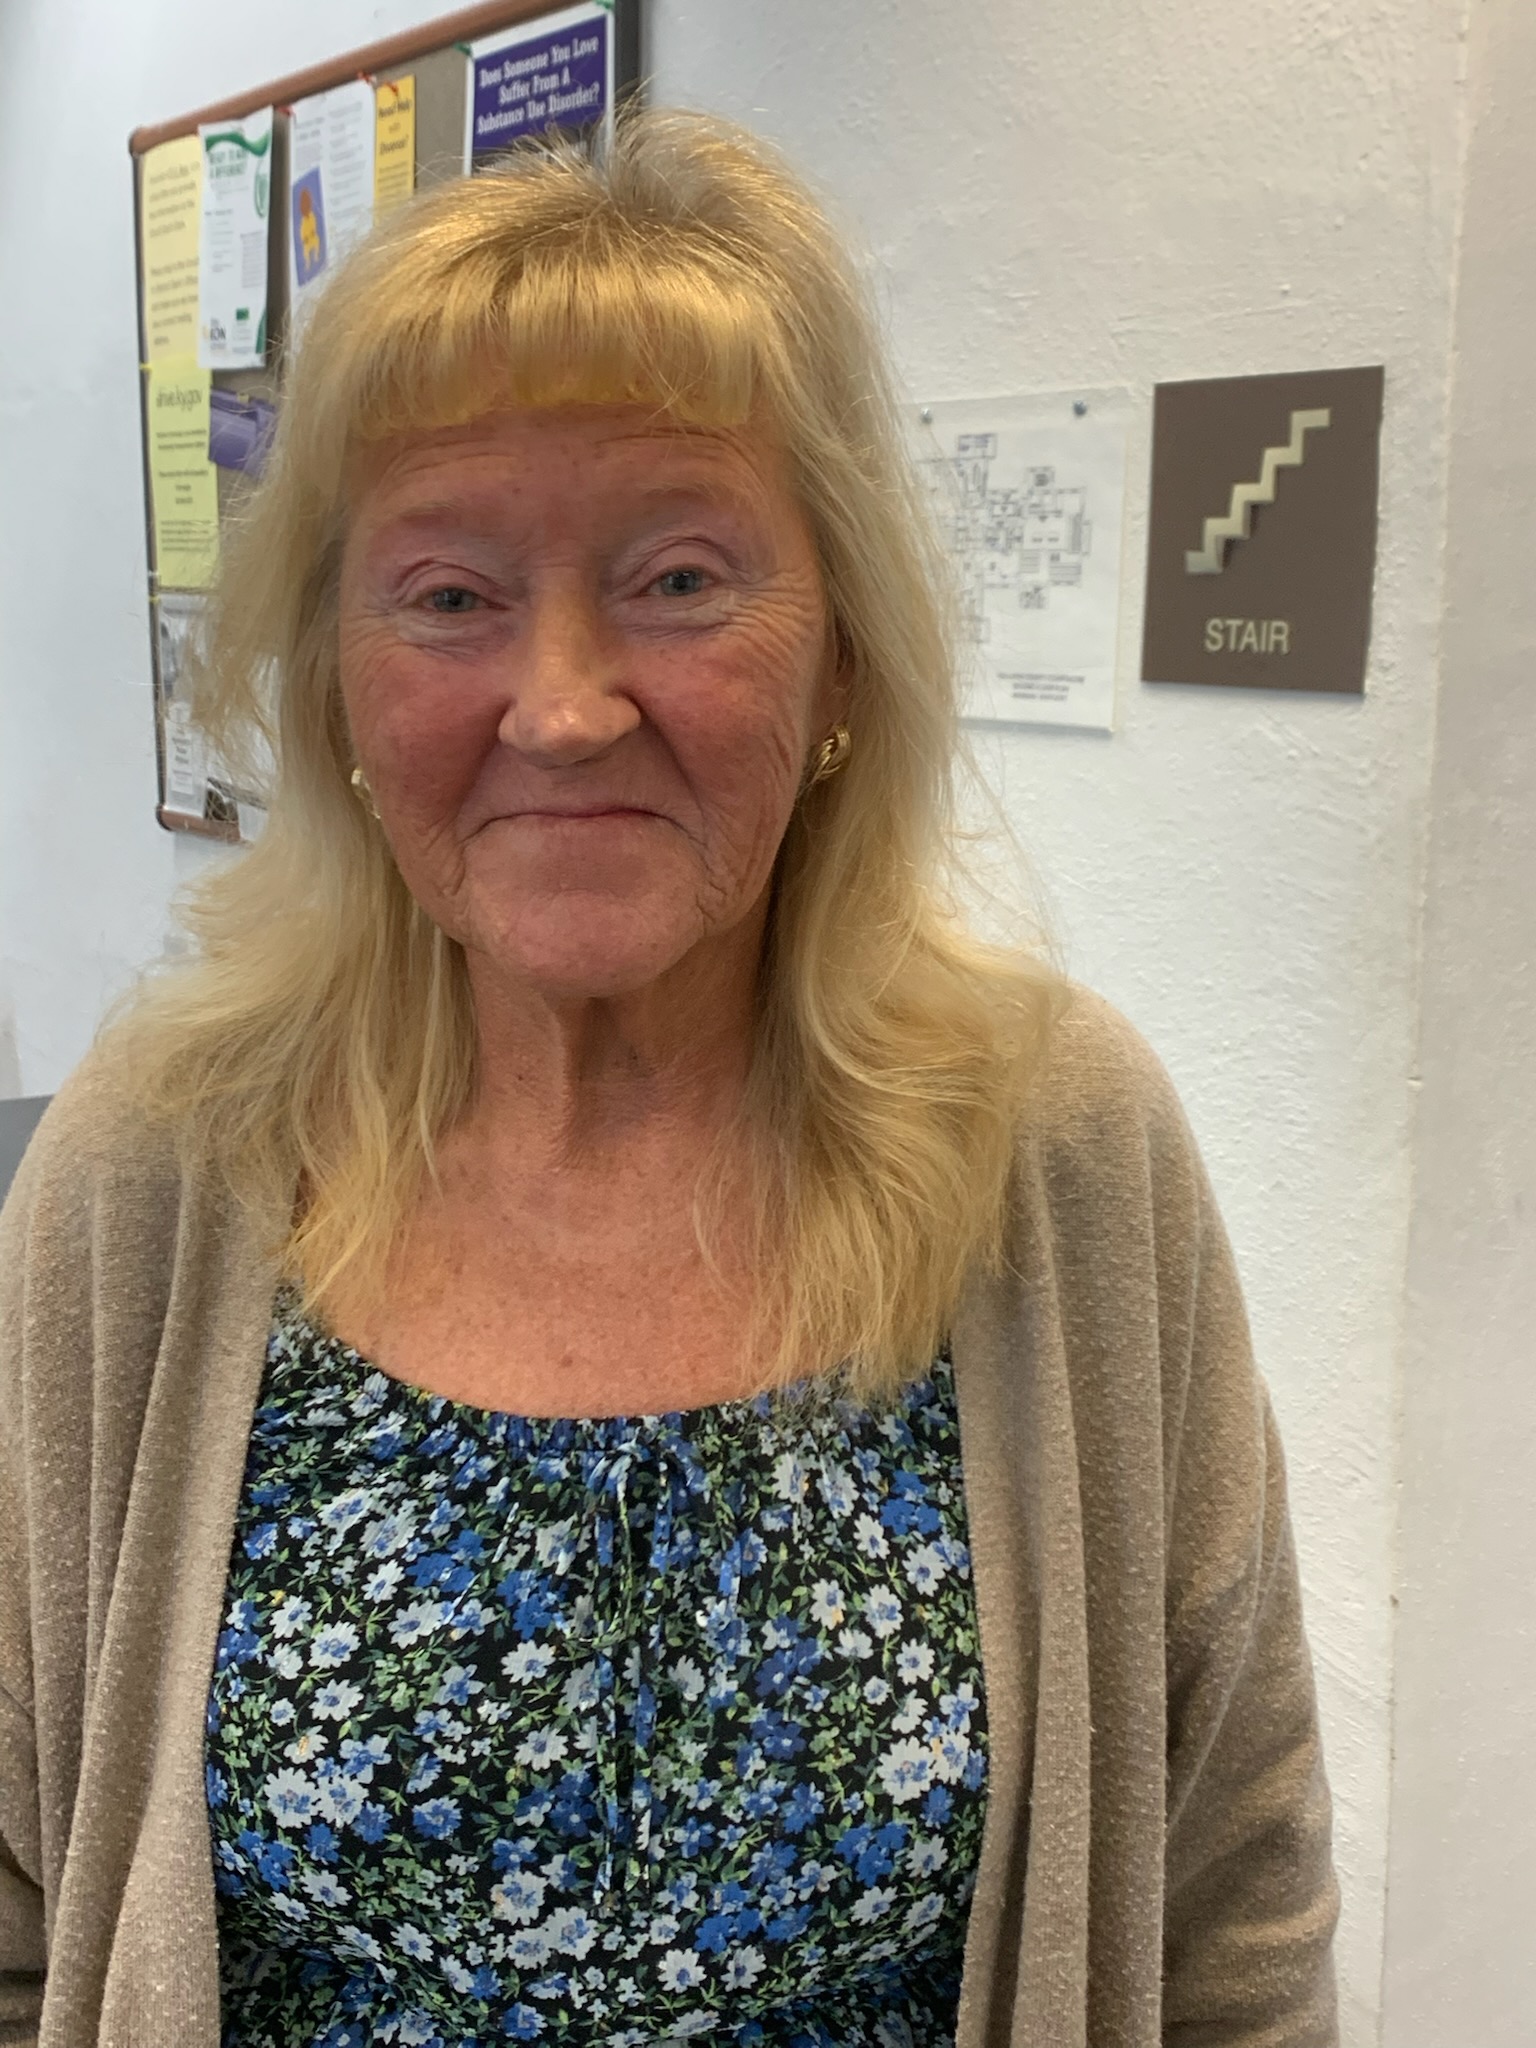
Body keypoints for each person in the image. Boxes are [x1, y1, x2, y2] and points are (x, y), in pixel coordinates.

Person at [0, 112, 1338, 2047]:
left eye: (681, 577)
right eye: (449, 595)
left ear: (844, 656)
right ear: (338, 684)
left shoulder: (1052, 1147)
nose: (562, 705)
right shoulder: (164, 1158)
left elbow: (1233, 1902)